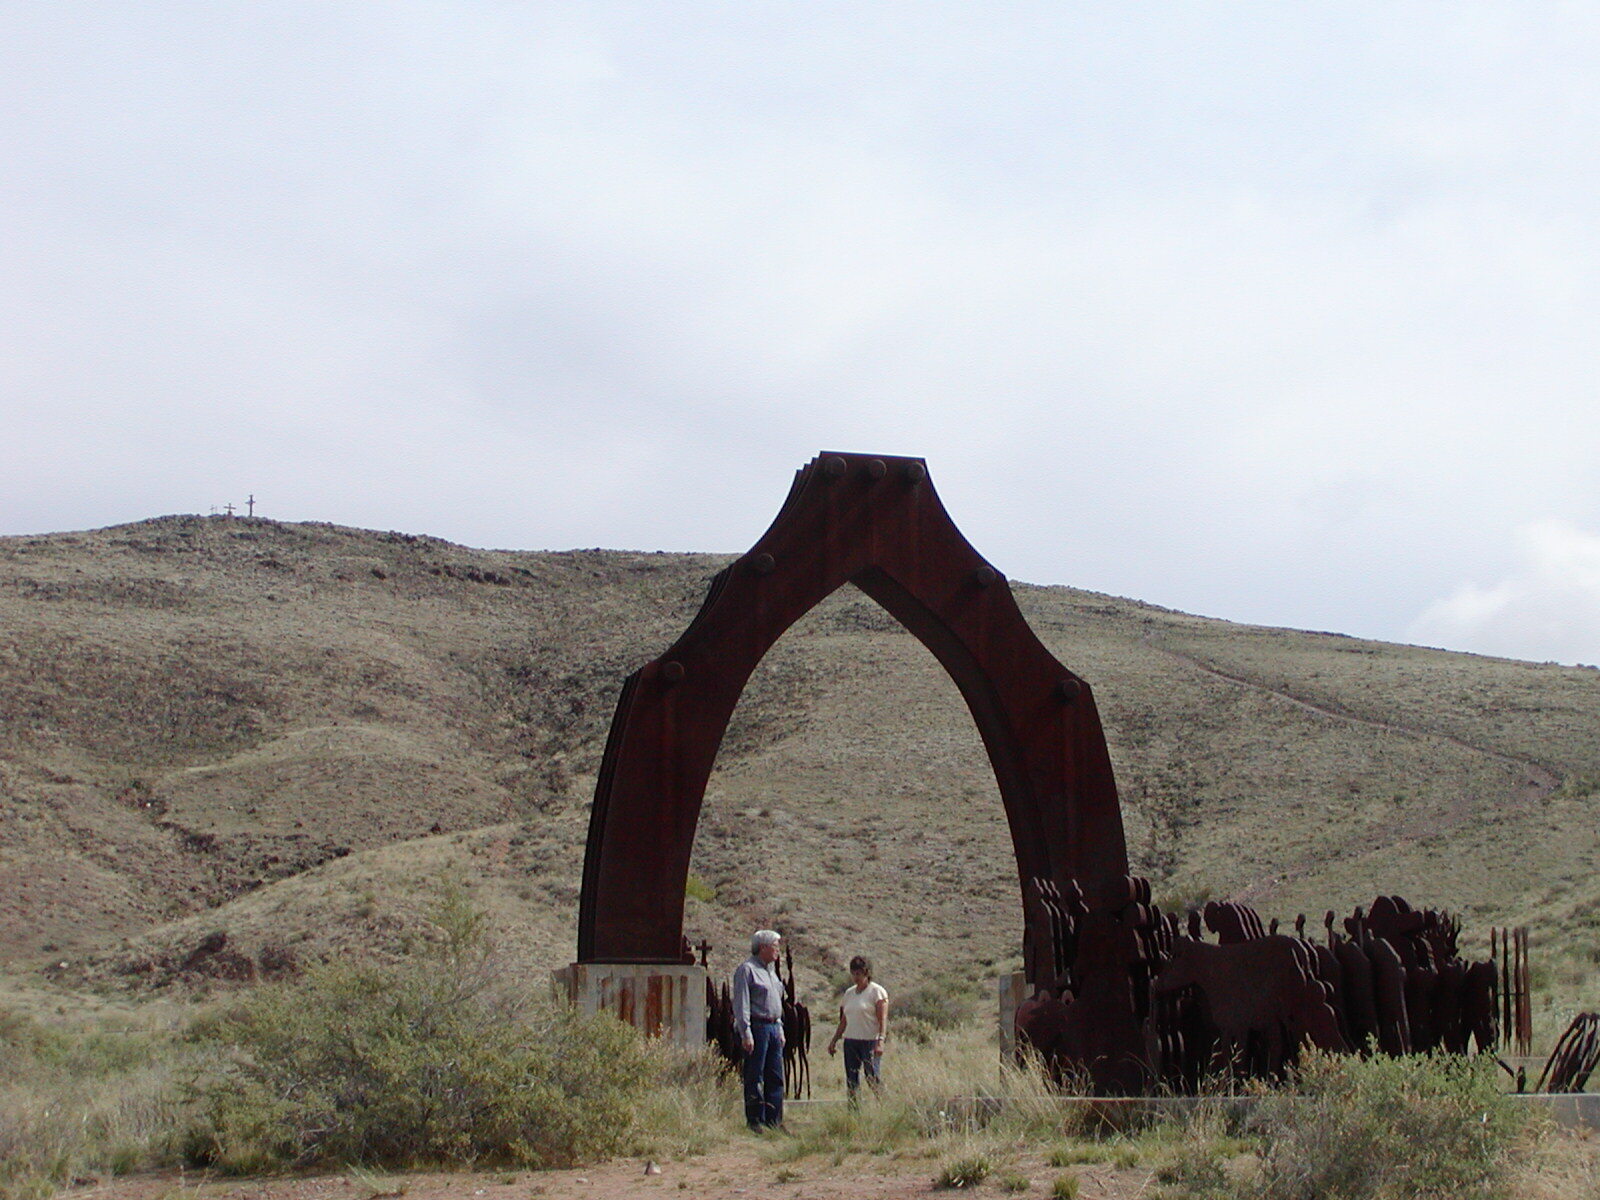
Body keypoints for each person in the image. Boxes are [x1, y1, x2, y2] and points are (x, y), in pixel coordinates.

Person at [732, 928, 786, 1131]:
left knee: (775, 1076)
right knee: (755, 1075)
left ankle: (774, 1120)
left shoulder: (771, 972)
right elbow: (741, 1003)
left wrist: (779, 1029)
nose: (777, 950)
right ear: (762, 948)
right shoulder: (747, 970)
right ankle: (755, 1120)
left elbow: (776, 1004)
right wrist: (746, 1032)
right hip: (757, 1027)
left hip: (773, 1026)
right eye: (775, 946)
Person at [827, 955, 888, 1100]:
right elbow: (844, 1020)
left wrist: (881, 1040)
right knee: (851, 1078)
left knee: (872, 1076)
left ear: (866, 972)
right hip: (851, 1041)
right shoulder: (849, 994)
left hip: (869, 1041)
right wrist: (835, 1040)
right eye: (853, 973)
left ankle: (883, 1104)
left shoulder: (877, 992)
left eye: (859, 973)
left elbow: (882, 1019)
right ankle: (854, 1110)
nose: (856, 977)